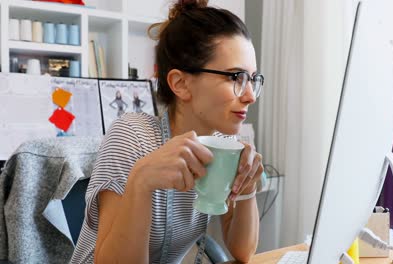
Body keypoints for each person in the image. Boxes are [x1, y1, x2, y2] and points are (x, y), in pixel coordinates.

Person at [70, 0, 265, 263]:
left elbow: (243, 252)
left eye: (252, 79)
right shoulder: (131, 138)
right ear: (181, 83)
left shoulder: (223, 145)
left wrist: (247, 186)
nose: (250, 96)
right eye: (235, 78)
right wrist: (141, 183)